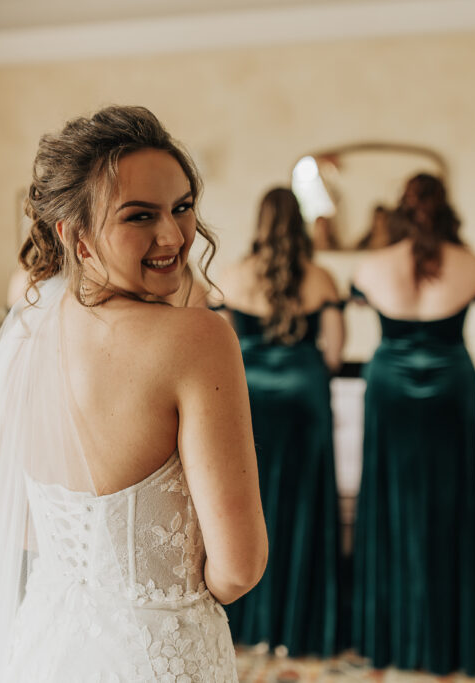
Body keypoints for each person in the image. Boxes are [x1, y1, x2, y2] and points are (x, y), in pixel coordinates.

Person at [0, 106, 267, 681]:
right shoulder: (199, 339)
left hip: (47, 642)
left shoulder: (29, 322)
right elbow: (239, 567)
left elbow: (18, 522)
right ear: (78, 236)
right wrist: (166, 598)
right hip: (158, 656)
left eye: (183, 206)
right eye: (140, 216)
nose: (173, 235)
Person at [348, 173, 475, 676]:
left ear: (399, 211)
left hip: (389, 386)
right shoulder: (471, 265)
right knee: (449, 504)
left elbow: (358, 299)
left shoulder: (371, 267)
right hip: (451, 386)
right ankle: (448, 637)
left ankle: (387, 635)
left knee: (391, 502)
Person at [214, 187, 345, 657]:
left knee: (247, 503)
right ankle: (300, 624)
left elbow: (221, 351)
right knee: (303, 506)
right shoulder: (322, 279)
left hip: (251, 404)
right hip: (304, 402)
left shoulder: (232, 276)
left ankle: (253, 622)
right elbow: (332, 354)